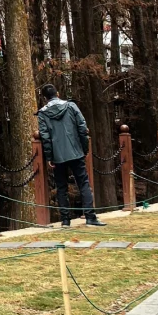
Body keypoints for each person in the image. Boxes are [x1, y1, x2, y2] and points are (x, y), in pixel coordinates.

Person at [37, 85, 106, 227]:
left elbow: (45, 137)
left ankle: (65, 220)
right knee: (83, 183)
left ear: (45, 98)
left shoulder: (43, 114)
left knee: (61, 187)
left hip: (57, 154)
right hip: (75, 151)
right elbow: (82, 127)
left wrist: (49, 156)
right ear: (58, 93)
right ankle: (90, 217)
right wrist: (84, 148)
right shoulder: (71, 106)